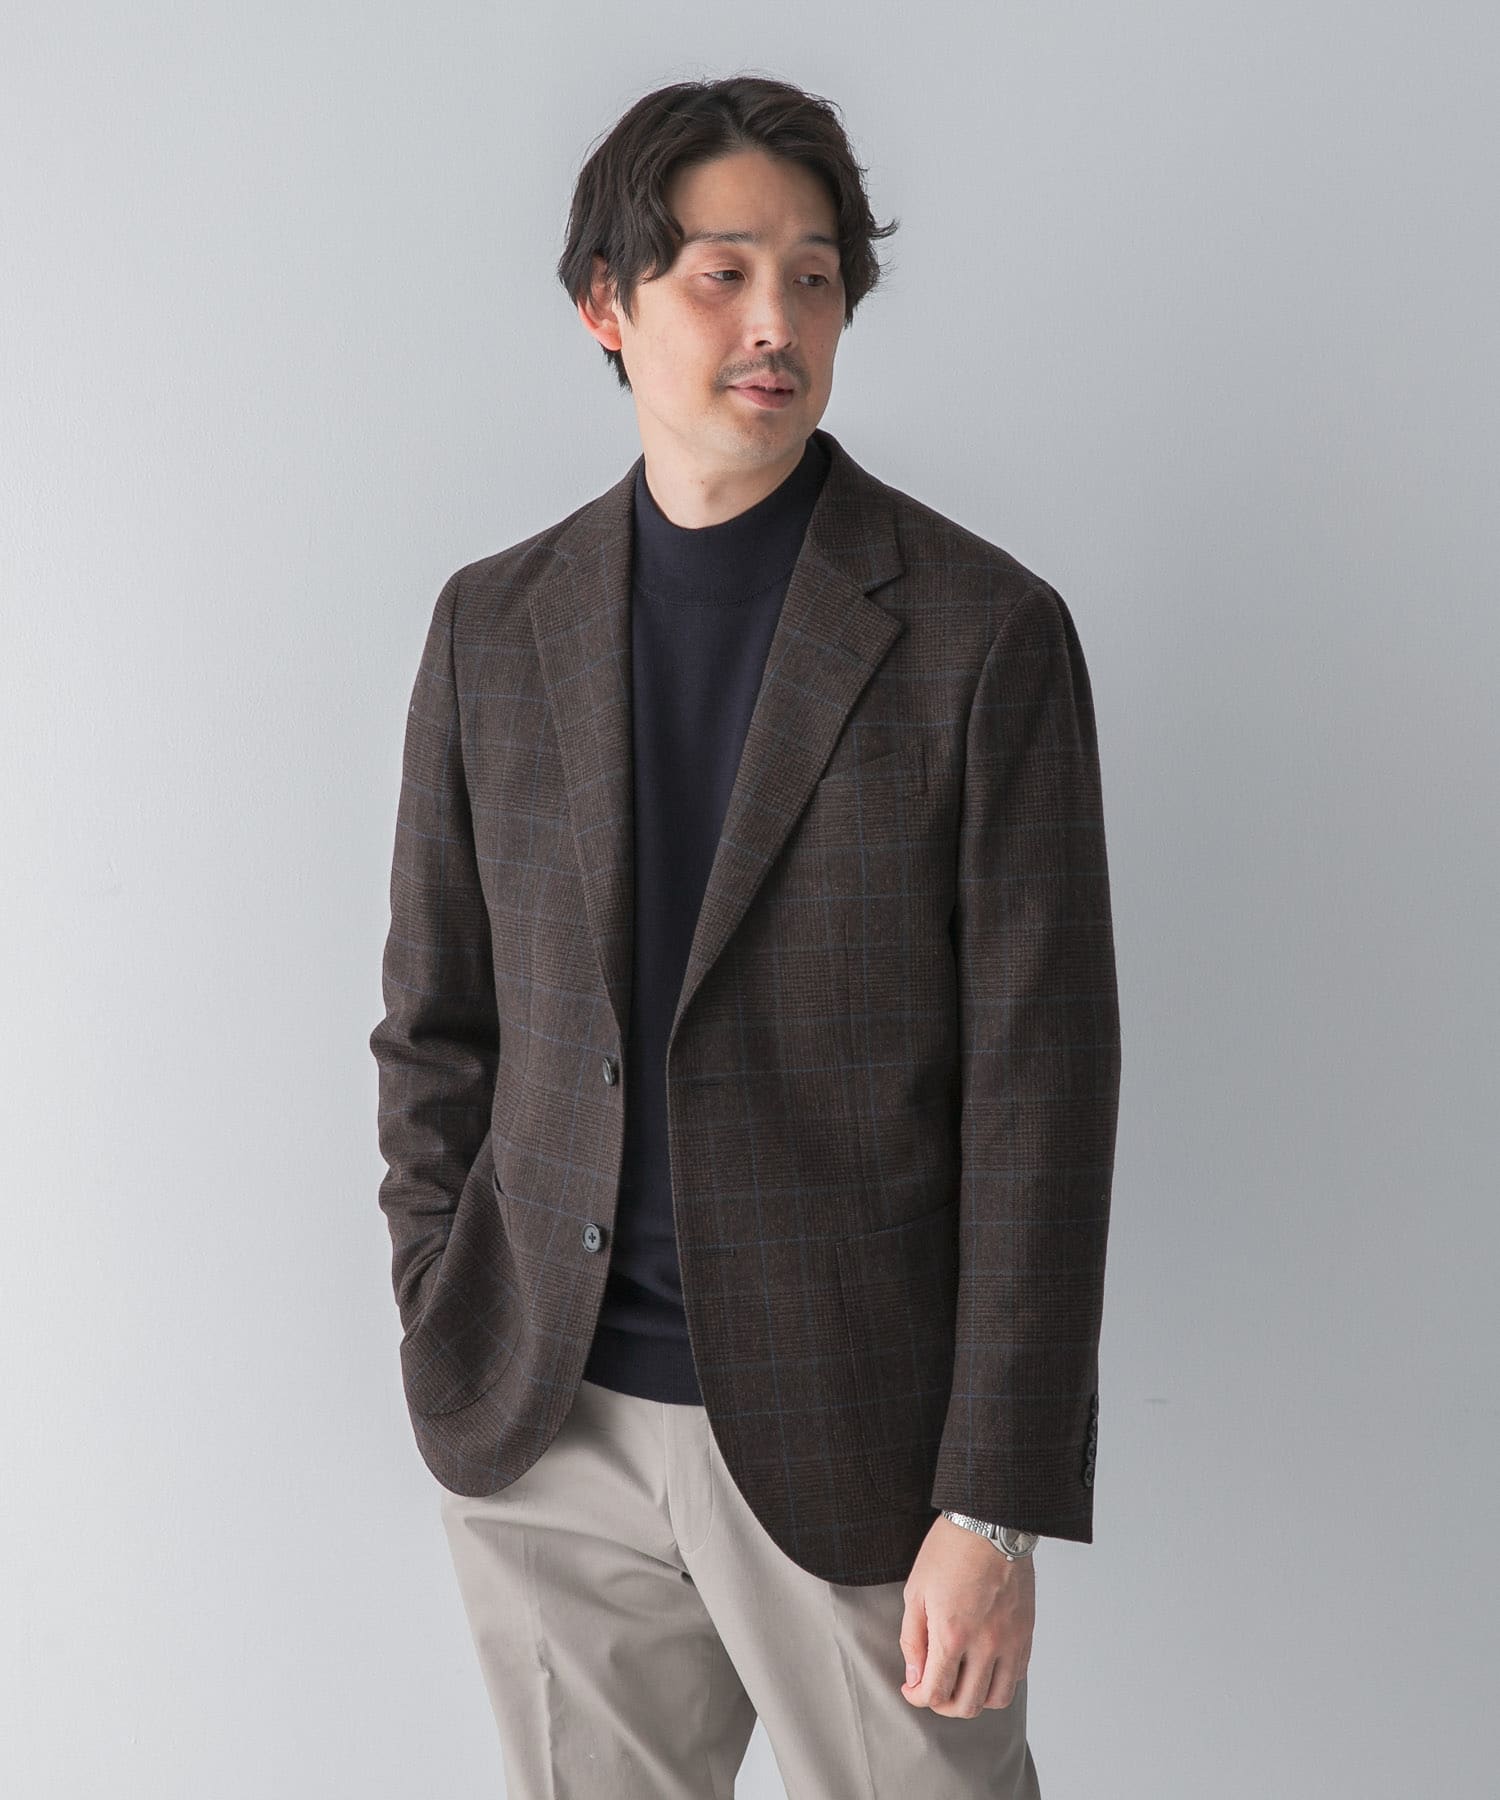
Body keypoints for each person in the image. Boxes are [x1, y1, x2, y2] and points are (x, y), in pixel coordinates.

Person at [369, 72, 1121, 1800]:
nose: (775, 321)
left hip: (868, 1451)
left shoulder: (982, 635)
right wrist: (441, 1300)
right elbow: (438, 1025)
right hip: (549, 1423)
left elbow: (1044, 1094)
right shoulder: (494, 625)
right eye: (721, 272)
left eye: (814, 275)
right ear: (607, 304)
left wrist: (994, 1498)